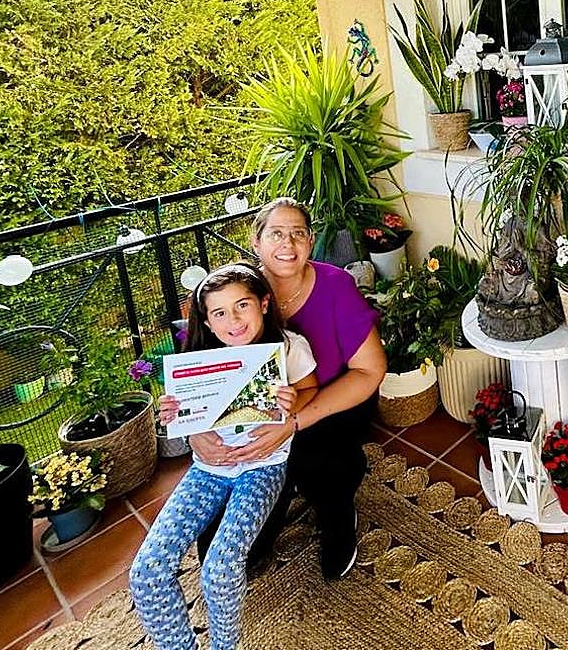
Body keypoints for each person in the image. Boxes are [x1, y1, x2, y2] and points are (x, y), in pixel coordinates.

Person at [194, 197, 386, 580]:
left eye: (298, 233)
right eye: (276, 233)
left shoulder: (336, 286)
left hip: (329, 405)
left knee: (320, 465)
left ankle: (336, 506)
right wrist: (196, 432)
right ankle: (276, 495)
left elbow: (370, 370)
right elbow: (197, 375)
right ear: (256, 241)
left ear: (311, 241)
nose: (288, 243)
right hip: (255, 418)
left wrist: (293, 423)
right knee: (229, 552)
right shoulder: (233, 291)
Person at [130, 263, 319, 650]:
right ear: (207, 321)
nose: (233, 320)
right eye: (219, 313)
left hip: (262, 467)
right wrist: (181, 420)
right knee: (146, 571)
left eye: (242, 305)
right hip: (209, 470)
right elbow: (186, 418)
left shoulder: (289, 347)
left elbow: (310, 390)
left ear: (263, 303)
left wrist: (292, 405)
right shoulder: (198, 360)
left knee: (220, 568)